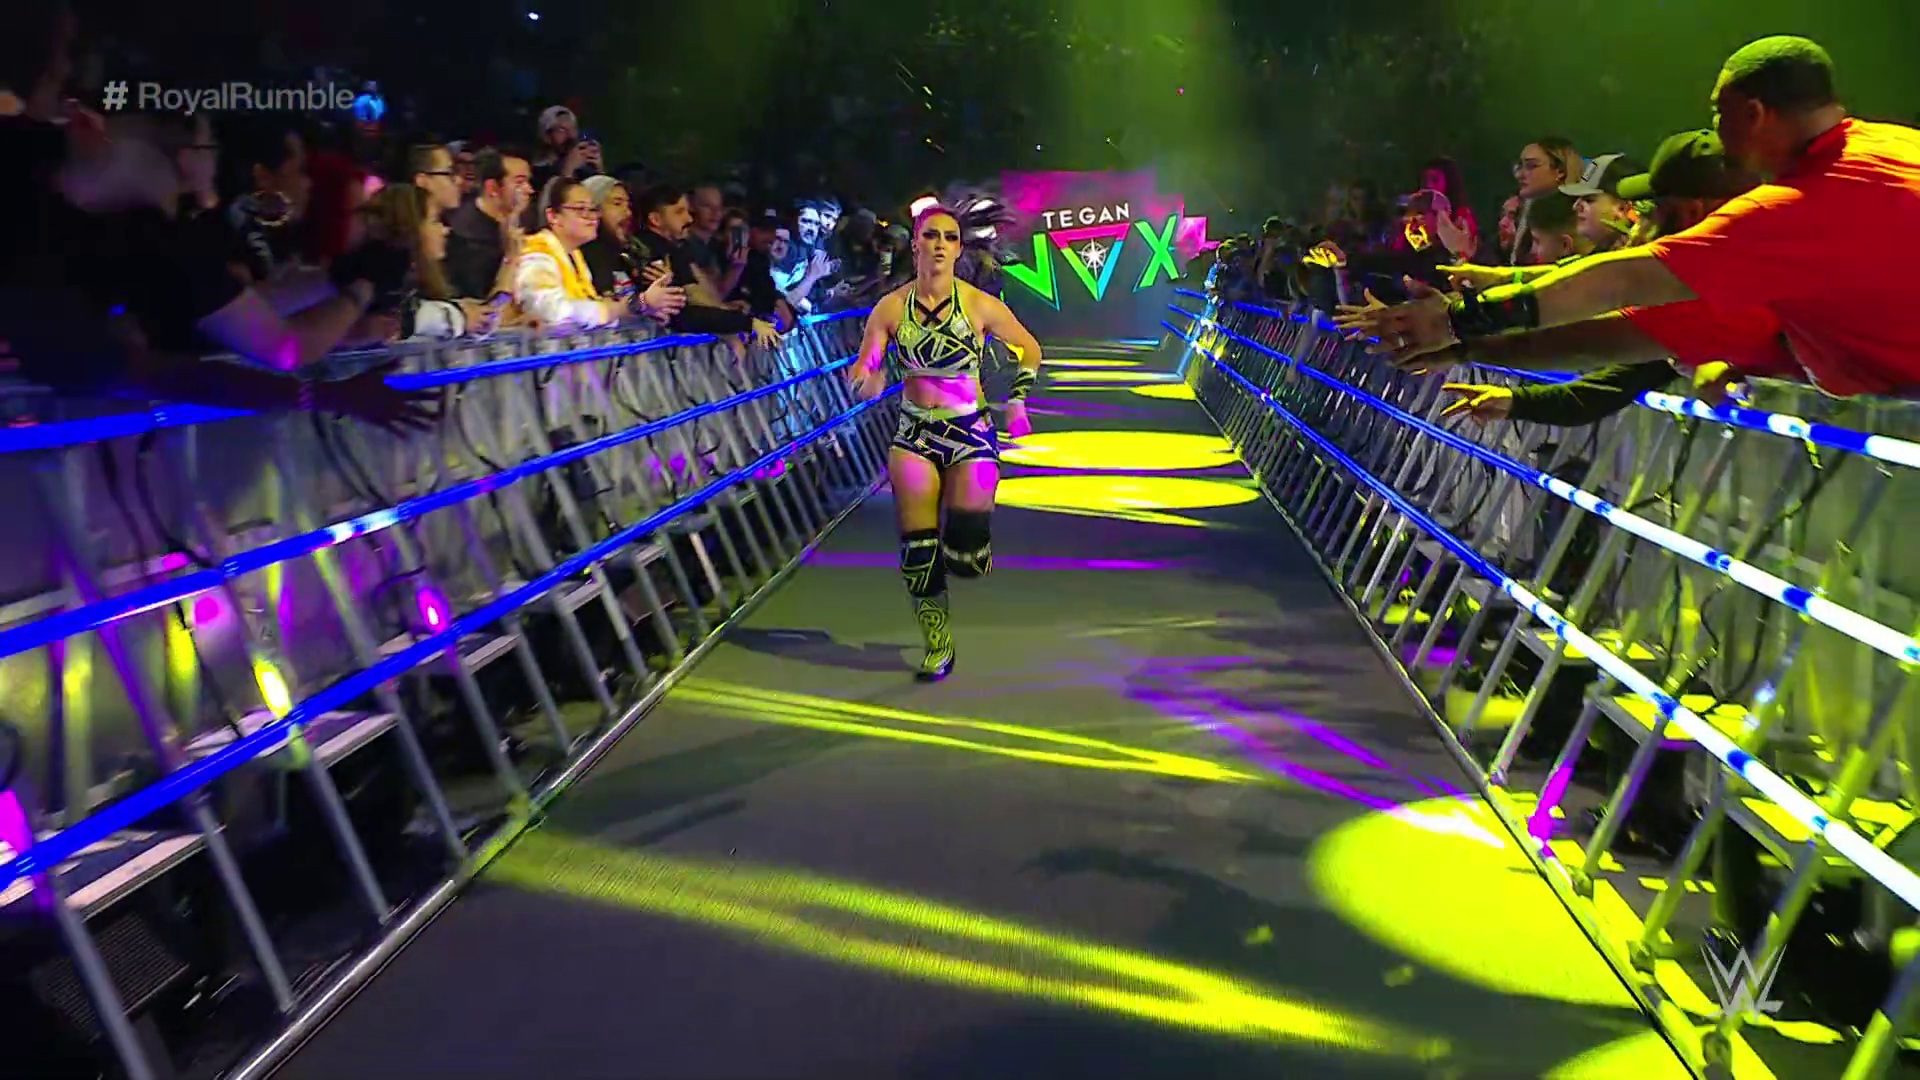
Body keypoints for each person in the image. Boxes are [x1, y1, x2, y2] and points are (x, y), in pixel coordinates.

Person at [1339, 36, 1920, 399]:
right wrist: (1497, 292)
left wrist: (1460, 327)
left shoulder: (1790, 213)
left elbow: (1616, 298)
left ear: (1753, 114)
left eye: (1718, 116)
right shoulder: (1893, 145)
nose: (1717, 133)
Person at [847, 203, 1044, 681]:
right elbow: (866, 361)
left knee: (966, 557)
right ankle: (938, 642)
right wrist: (867, 377)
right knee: (919, 549)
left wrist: (1017, 400)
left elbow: (1030, 349)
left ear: (958, 249)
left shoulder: (979, 304)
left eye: (950, 237)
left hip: (970, 429)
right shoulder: (890, 307)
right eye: (931, 235)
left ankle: (971, 545)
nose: (939, 244)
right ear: (915, 243)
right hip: (914, 433)